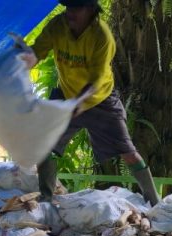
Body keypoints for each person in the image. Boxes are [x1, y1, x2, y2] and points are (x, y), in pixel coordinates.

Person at [24, 0, 160, 206]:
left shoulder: (101, 36)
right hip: (66, 95)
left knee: (128, 152)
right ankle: (46, 199)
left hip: (100, 99)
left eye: (76, 8)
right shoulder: (57, 26)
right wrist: (23, 62)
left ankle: (154, 201)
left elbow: (96, 80)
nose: (70, 12)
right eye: (68, 7)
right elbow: (37, 52)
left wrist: (79, 102)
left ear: (90, 10)